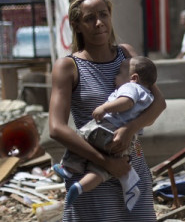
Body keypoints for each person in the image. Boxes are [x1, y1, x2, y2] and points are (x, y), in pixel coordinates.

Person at [49, 0, 166, 221]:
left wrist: (130, 129)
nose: (99, 23)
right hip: (90, 171)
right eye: (89, 18)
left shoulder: (127, 56)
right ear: (77, 25)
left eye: (103, 14)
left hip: (131, 166)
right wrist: (106, 163)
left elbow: (158, 103)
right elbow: (56, 127)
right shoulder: (68, 66)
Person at [53, 55, 158, 210]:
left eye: (119, 73)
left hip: (108, 127)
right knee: (102, 170)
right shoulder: (148, 96)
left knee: (82, 137)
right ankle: (81, 186)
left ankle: (68, 168)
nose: (115, 77)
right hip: (125, 142)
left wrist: (105, 108)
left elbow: (126, 102)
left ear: (133, 78)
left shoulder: (131, 87)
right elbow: (150, 118)